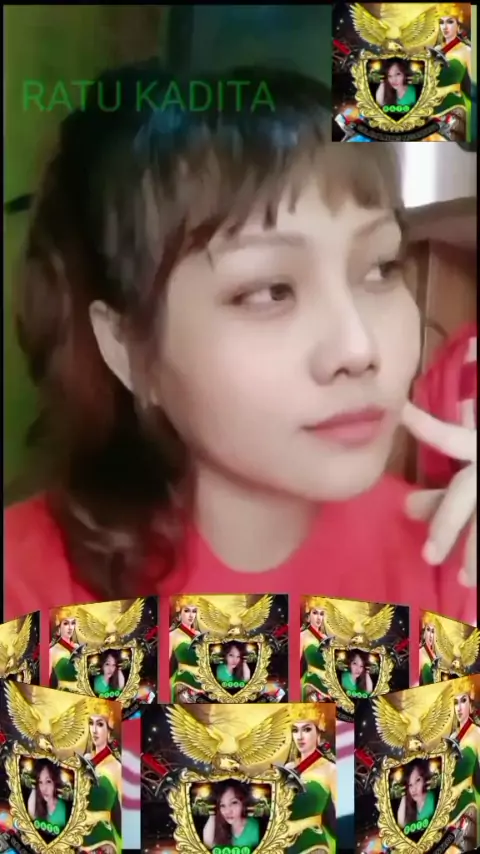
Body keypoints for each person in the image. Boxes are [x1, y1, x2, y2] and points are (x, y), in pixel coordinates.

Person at [4, 60, 476, 852]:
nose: (357, 348)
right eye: (268, 292)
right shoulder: (25, 587)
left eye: (380, 269)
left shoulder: (451, 560)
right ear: (129, 351)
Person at [286, 704, 336, 853]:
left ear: (318, 731)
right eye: (295, 730)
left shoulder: (330, 770)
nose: (300, 736)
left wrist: (307, 822)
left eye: (306, 729)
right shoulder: (288, 768)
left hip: (314, 846)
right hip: (285, 845)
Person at [80, 700, 122, 853]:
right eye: (91, 723)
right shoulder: (83, 761)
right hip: (77, 836)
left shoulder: (117, 767)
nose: (94, 730)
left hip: (102, 841)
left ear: (108, 728)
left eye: (99, 724)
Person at [449, 677, 480, 848]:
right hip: (449, 807)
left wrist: (461, 787)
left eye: (463, 700)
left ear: (470, 701)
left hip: (469, 804)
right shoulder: (452, 737)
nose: (459, 708)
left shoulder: (477, 734)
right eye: (455, 702)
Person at [433, 3, 472, 137]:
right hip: (430, 107)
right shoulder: (435, 50)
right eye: (441, 22)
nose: (445, 27)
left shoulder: (467, 51)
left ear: (458, 25)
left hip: (453, 106)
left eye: (450, 22)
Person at [202, 781, 260, 850]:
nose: (227, 811)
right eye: (222, 805)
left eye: (234, 802)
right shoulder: (219, 826)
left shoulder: (256, 829)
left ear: (243, 803)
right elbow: (207, 846)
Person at [169, 596, 203, 700]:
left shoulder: (199, 634)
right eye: (187, 611)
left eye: (194, 611)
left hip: (202, 683)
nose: (191, 615)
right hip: (183, 682)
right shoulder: (172, 635)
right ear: (180, 612)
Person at [300, 598, 330, 701]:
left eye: (321, 614)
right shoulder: (302, 635)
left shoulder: (325, 638)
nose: (318, 617)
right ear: (308, 616)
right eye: (315, 613)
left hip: (329, 684)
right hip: (312, 683)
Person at [27, 760, 67, 833]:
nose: (43, 788)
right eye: (40, 782)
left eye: (48, 781)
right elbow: (31, 815)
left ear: (55, 782)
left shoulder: (64, 810)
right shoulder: (38, 804)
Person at [396, 761, 435, 830]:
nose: (413, 789)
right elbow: (401, 824)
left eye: (417, 780)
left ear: (424, 779)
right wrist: (404, 796)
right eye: (410, 785)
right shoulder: (411, 806)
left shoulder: (433, 800)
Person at [49, 607, 79, 690]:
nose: (70, 627)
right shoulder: (52, 650)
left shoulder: (77, 647)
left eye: (72, 623)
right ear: (59, 626)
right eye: (66, 623)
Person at [419, 613, 438, 685]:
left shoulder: (434, 653)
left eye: (433, 631)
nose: (430, 635)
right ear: (424, 631)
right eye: (428, 630)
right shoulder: (420, 652)